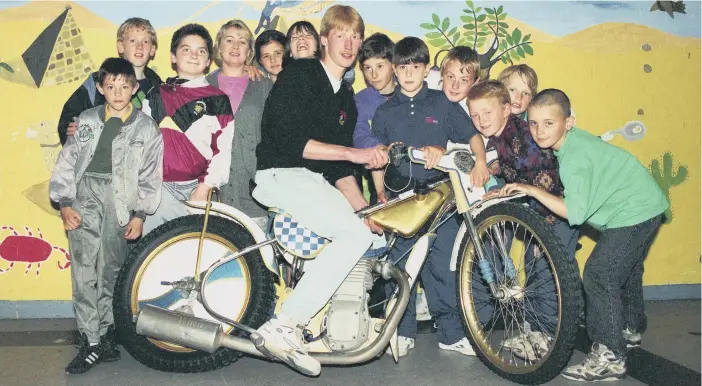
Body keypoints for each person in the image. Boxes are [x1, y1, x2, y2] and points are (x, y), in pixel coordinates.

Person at [251, 5, 388, 376]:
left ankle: (323, 328)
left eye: (355, 36)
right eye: (340, 35)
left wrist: (364, 206)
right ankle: (285, 324)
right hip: (281, 173)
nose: (349, 43)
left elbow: (339, 167)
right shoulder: (300, 74)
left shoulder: (344, 96)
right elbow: (292, 140)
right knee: (353, 236)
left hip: (313, 180)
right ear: (324, 39)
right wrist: (353, 153)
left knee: (370, 237)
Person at [499, 89, 668, 382]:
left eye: (549, 123)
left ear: (569, 121)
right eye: (534, 123)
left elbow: (573, 213)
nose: (539, 131)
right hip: (645, 204)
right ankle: (629, 327)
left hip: (635, 211)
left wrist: (532, 190)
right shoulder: (571, 144)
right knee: (624, 270)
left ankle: (610, 356)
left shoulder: (575, 157)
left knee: (600, 274)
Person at [371, 37, 490, 357]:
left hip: (441, 200)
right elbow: (378, 158)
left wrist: (480, 161)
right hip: (401, 202)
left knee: (443, 268)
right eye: (402, 68)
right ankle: (402, 330)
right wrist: (379, 192)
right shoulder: (383, 113)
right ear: (394, 71)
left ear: (426, 70)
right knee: (401, 268)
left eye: (415, 67)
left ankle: (450, 334)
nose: (408, 74)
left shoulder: (442, 103)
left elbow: (473, 136)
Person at [50, 57, 163, 374]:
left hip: (121, 203)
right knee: (84, 269)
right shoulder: (85, 120)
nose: (117, 92)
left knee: (111, 270)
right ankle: (90, 340)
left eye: (124, 86)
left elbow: (151, 175)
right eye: (110, 86)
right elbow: (68, 163)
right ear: (100, 88)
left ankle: (108, 335)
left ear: (134, 88)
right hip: (85, 198)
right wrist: (66, 204)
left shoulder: (146, 128)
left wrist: (140, 213)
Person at [468, 80, 580, 360]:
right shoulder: (501, 134)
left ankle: (553, 336)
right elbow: (509, 169)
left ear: (506, 109)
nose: (481, 121)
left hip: (557, 214)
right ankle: (538, 331)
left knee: (549, 274)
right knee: (536, 272)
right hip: (539, 217)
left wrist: (546, 232)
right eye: (475, 116)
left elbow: (545, 181)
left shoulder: (522, 135)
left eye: (487, 113)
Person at [140, 24, 235, 235]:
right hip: (158, 191)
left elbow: (223, 151)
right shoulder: (156, 95)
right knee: (153, 258)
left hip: (197, 192)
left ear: (209, 60)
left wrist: (205, 187)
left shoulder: (218, 100)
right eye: (186, 49)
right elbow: (141, 143)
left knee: (194, 259)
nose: (194, 55)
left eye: (201, 51)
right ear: (173, 57)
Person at [207, 20, 273, 224]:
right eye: (229, 40)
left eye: (242, 41)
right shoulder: (204, 86)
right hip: (213, 195)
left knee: (256, 254)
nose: (235, 47)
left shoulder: (263, 84)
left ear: (249, 51)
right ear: (219, 46)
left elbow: (275, 135)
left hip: (254, 195)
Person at [57, 17, 162, 145]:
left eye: (145, 41)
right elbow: (70, 118)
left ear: (152, 49)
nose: (139, 47)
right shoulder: (97, 81)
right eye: (133, 40)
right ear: (121, 46)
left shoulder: (159, 90)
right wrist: (75, 131)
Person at [353, 32, 396, 205]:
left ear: (393, 65)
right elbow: (358, 133)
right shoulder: (360, 100)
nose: (374, 74)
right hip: (377, 170)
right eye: (367, 68)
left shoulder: (408, 93)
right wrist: (376, 147)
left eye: (379, 66)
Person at [286, 20, 355, 84]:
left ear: (318, 45)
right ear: (290, 52)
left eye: (308, 35)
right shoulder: (285, 79)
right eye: (294, 37)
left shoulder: (333, 74)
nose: (301, 38)